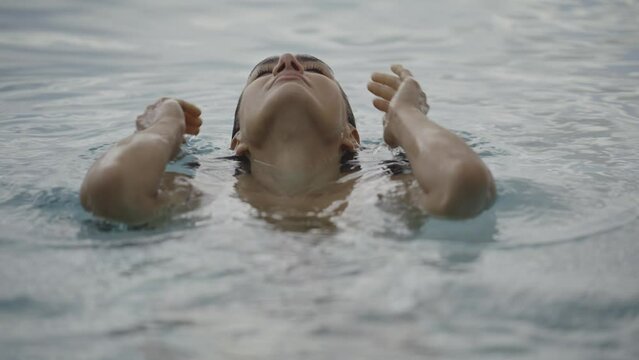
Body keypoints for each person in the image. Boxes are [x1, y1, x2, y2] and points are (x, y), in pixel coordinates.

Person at [80, 53, 496, 225]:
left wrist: (404, 118)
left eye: (314, 69)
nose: (287, 62)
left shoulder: (383, 191)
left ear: (351, 134)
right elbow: (112, 193)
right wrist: (164, 128)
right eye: (264, 74)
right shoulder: (204, 190)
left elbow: (463, 186)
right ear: (237, 138)